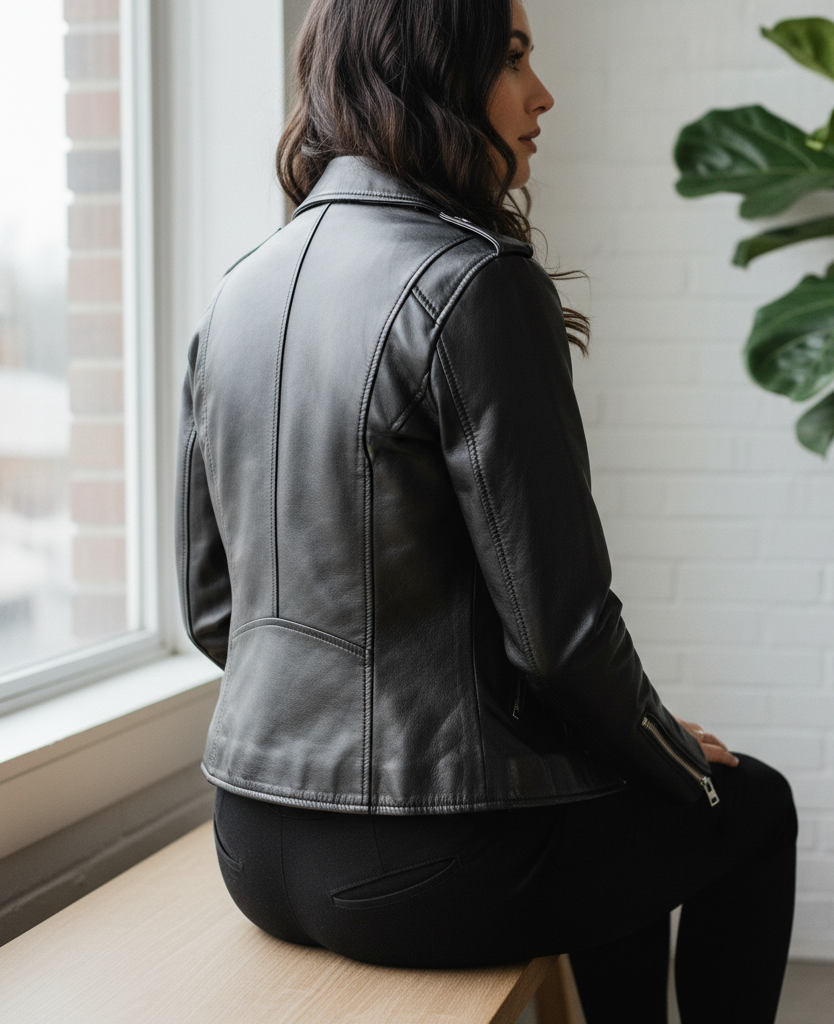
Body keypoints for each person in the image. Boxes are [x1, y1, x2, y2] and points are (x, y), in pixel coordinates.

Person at [175, 1, 798, 1021]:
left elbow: (212, 612)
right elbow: (561, 638)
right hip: (427, 866)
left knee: (613, 795)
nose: (540, 95)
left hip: (249, 844)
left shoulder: (237, 293)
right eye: (512, 59)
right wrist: (665, 746)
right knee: (752, 804)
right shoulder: (475, 284)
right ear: (430, 74)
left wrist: (624, 744)